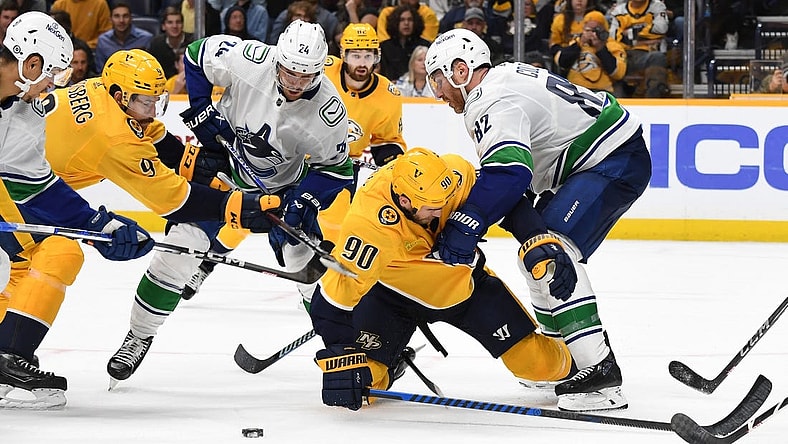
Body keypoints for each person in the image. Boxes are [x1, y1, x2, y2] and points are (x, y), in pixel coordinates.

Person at [107, 20, 354, 385]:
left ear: (321, 69)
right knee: (178, 250)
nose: (296, 83)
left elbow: (338, 171)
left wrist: (303, 198)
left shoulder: (327, 113)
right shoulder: (250, 59)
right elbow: (195, 55)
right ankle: (139, 335)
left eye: (306, 75)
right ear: (277, 58)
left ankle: (345, 349)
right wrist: (202, 108)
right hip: (222, 177)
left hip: (282, 193)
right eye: (289, 71)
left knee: (312, 272)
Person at [425, 29, 651, 412]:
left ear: (460, 70)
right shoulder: (502, 80)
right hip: (602, 158)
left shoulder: (488, 99)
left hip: (611, 159)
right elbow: (516, 183)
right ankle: (560, 356)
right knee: (535, 253)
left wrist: (466, 223)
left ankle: (599, 371)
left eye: (438, 81)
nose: (438, 94)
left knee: (553, 251)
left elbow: (509, 176)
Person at [41, 48, 283, 388]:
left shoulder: (103, 90)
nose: (153, 109)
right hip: (23, 193)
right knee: (36, 267)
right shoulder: (113, 138)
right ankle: (15, 353)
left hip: (28, 176)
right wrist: (236, 207)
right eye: (145, 101)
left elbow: (153, 136)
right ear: (120, 95)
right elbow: (176, 201)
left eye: (157, 100)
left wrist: (190, 160)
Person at [310, 148, 574, 411]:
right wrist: (342, 361)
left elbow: (505, 201)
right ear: (404, 201)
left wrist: (536, 237)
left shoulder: (453, 174)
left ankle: (585, 366)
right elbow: (331, 303)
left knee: (539, 365)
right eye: (432, 209)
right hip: (390, 297)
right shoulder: (368, 226)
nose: (441, 212)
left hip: (463, 289)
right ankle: (392, 362)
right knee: (364, 386)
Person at [0, 12, 154, 409]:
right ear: (31, 64)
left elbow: (35, 189)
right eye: (51, 73)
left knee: (47, 252)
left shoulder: (25, 116)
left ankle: (6, 359)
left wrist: (96, 225)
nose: (54, 84)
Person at [317, 23, 406, 246]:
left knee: (334, 225)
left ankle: (318, 273)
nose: (362, 63)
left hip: (343, 166)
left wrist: (392, 168)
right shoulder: (323, 71)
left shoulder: (388, 95)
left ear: (377, 57)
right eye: (355, 55)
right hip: (300, 156)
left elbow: (386, 142)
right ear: (343, 55)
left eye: (368, 56)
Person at [608, 0, 670, 98]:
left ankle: (653, 101)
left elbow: (661, 29)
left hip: (648, 53)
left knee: (658, 57)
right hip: (624, 54)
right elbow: (615, 39)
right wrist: (644, 37)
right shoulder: (619, 11)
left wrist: (629, 33)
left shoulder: (657, 6)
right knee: (610, 60)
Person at [559, 10, 627, 93]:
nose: (592, 34)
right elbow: (561, 63)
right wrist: (579, 44)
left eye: (596, 30)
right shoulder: (575, 43)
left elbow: (619, 74)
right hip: (575, 91)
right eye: (588, 30)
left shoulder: (613, 45)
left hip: (602, 92)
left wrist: (600, 48)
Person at [94, 2, 154, 72]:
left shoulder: (146, 38)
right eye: (117, 16)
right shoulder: (103, 40)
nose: (121, 20)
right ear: (110, 19)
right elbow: (100, 71)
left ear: (131, 18)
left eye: (125, 16)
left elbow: (151, 68)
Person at [379, 5, 431, 81]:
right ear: (395, 22)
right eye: (402, 20)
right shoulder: (384, 47)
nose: (406, 23)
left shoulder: (425, 45)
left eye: (410, 20)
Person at [147, 7, 194, 79]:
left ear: (182, 25)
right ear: (163, 26)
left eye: (178, 22)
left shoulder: (193, 43)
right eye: (170, 22)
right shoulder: (156, 44)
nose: (174, 26)